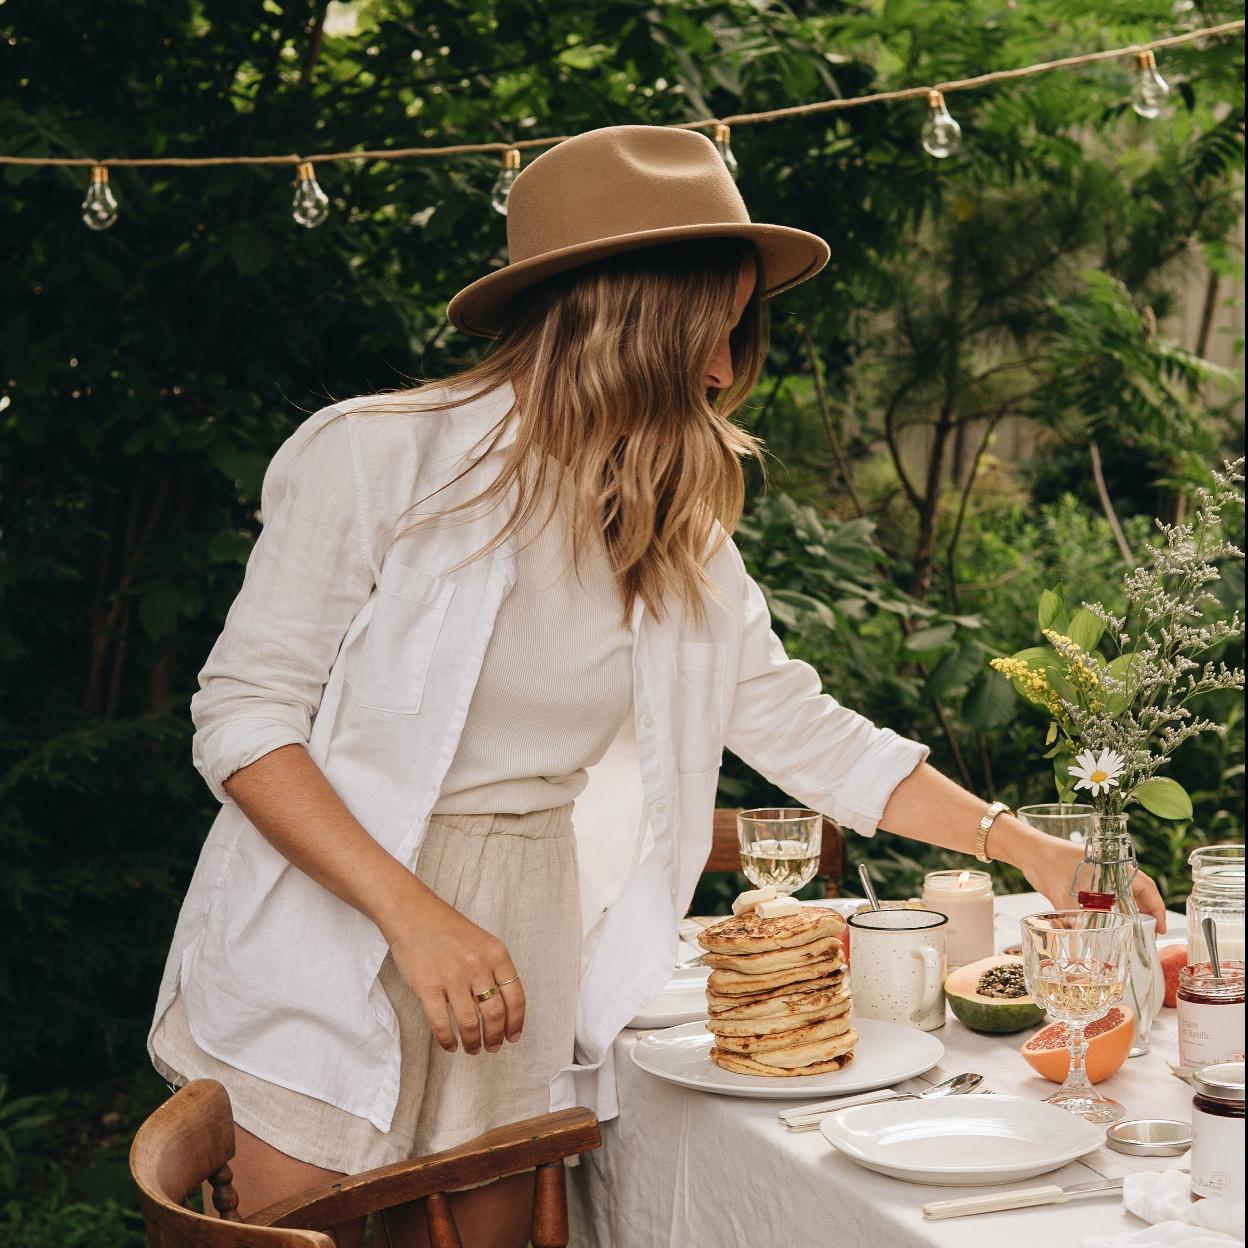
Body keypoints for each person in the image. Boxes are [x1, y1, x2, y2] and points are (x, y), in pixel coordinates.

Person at [148, 125, 1167, 1248]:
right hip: (335, 915)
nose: (728, 368)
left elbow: (802, 729)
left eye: (738, 330)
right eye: (705, 330)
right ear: (613, 313)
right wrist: (413, 915)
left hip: (527, 923)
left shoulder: (676, 527)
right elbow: (242, 716)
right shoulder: (370, 459)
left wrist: (1025, 844)